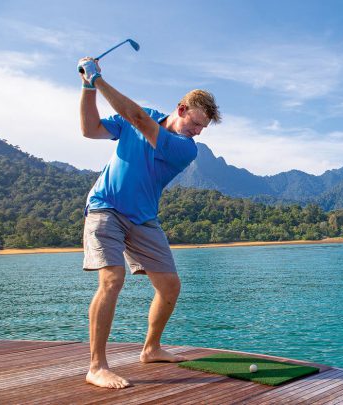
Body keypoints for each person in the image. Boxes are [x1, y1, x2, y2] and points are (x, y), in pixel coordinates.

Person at [77, 57, 221, 389]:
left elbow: (138, 118)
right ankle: (96, 366)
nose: (197, 132)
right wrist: (87, 87)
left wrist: (98, 79)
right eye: (195, 123)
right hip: (105, 208)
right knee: (112, 279)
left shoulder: (186, 149)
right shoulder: (140, 120)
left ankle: (151, 348)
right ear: (181, 109)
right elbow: (90, 129)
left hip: (143, 219)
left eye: (202, 128)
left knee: (170, 286)